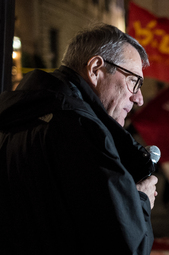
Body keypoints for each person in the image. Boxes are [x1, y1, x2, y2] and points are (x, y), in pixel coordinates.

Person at [0, 24, 158, 255]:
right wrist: (141, 200)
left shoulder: (19, 116)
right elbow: (126, 246)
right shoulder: (81, 130)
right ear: (95, 69)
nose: (139, 98)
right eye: (134, 81)